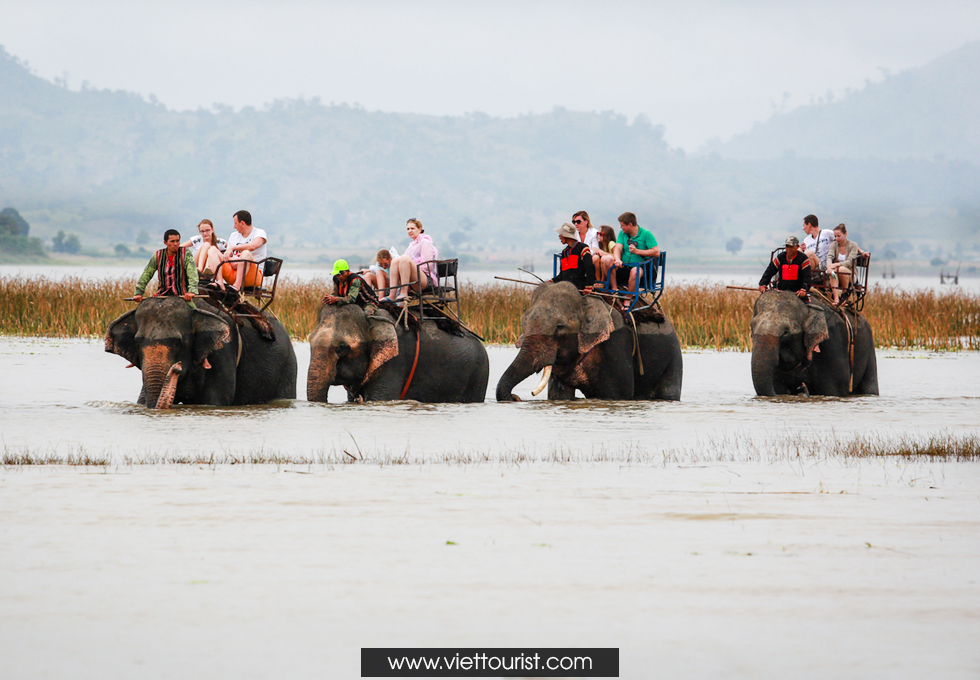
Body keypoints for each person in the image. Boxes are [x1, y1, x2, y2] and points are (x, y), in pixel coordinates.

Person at [133, 229, 198, 305]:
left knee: (194, 312)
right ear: (165, 242)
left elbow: (192, 273)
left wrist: (191, 291)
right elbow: (146, 274)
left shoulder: (186, 253)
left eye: (177, 241)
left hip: (182, 295)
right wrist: (138, 293)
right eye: (172, 241)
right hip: (162, 294)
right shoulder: (158, 255)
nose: (176, 244)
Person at [219, 210, 267, 300]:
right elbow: (228, 255)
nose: (234, 227)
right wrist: (233, 259)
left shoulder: (259, 233)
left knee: (245, 253)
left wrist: (233, 248)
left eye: (235, 223)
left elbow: (253, 246)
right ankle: (218, 282)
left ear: (242, 223)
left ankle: (237, 287)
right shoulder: (233, 236)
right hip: (233, 270)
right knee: (213, 251)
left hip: (252, 275)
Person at [387, 218, 438, 301]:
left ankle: (404, 292)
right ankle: (392, 294)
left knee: (404, 258)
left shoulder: (425, 243)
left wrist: (411, 266)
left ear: (420, 229)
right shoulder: (412, 245)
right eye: (408, 229)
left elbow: (427, 266)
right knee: (396, 260)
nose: (410, 231)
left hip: (426, 280)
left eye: (412, 228)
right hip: (413, 279)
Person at [610, 212, 659, 292]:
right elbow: (617, 249)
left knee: (635, 272)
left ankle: (628, 299)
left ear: (630, 224)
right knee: (607, 261)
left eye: (622, 225)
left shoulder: (646, 234)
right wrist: (617, 259)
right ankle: (613, 289)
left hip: (642, 268)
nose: (621, 227)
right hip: (624, 266)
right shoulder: (622, 234)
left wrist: (637, 251)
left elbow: (656, 252)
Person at [759, 235, 811, 300]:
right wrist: (763, 284)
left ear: (797, 247)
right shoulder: (781, 257)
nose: (788, 249)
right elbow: (770, 270)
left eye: (791, 247)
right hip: (781, 291)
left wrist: (803, 289)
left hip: (797, 292)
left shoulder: (803, 258)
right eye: (787, 246)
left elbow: (807, 276)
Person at [181, 219, 227, 285]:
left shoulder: (219, 241)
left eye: (207, 230)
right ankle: (200, 268)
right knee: (206, 245)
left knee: (212, 250)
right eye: (202, 231)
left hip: (210, 268)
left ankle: (207, 268)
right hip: (195, 265)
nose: (205, 233)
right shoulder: (197, 239)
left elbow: (231, 246)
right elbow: (180, 247)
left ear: (212, 230)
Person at [550, 222, 595, 290]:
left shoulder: (583, 248)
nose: (559, 236)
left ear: (566, 236)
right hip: (565, 287)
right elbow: (563, 274)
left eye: (561, 234)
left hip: (579, 287)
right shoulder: (564, 252)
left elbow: (589, 267)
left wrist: (589, 286)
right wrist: (553, 280)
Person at [826, 223, 861, 304]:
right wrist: (829, 266)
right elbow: (829, 257)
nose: (836, 238)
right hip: (836, 271)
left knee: (840, 269)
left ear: (845, 234)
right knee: (833, 270)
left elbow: (849, 262)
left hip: (850, 273)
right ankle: (836, 298)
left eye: (839, 236)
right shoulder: (834, 245)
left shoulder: (853, 245)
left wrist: (837, 264)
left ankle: (844, 296)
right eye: (835, 236)